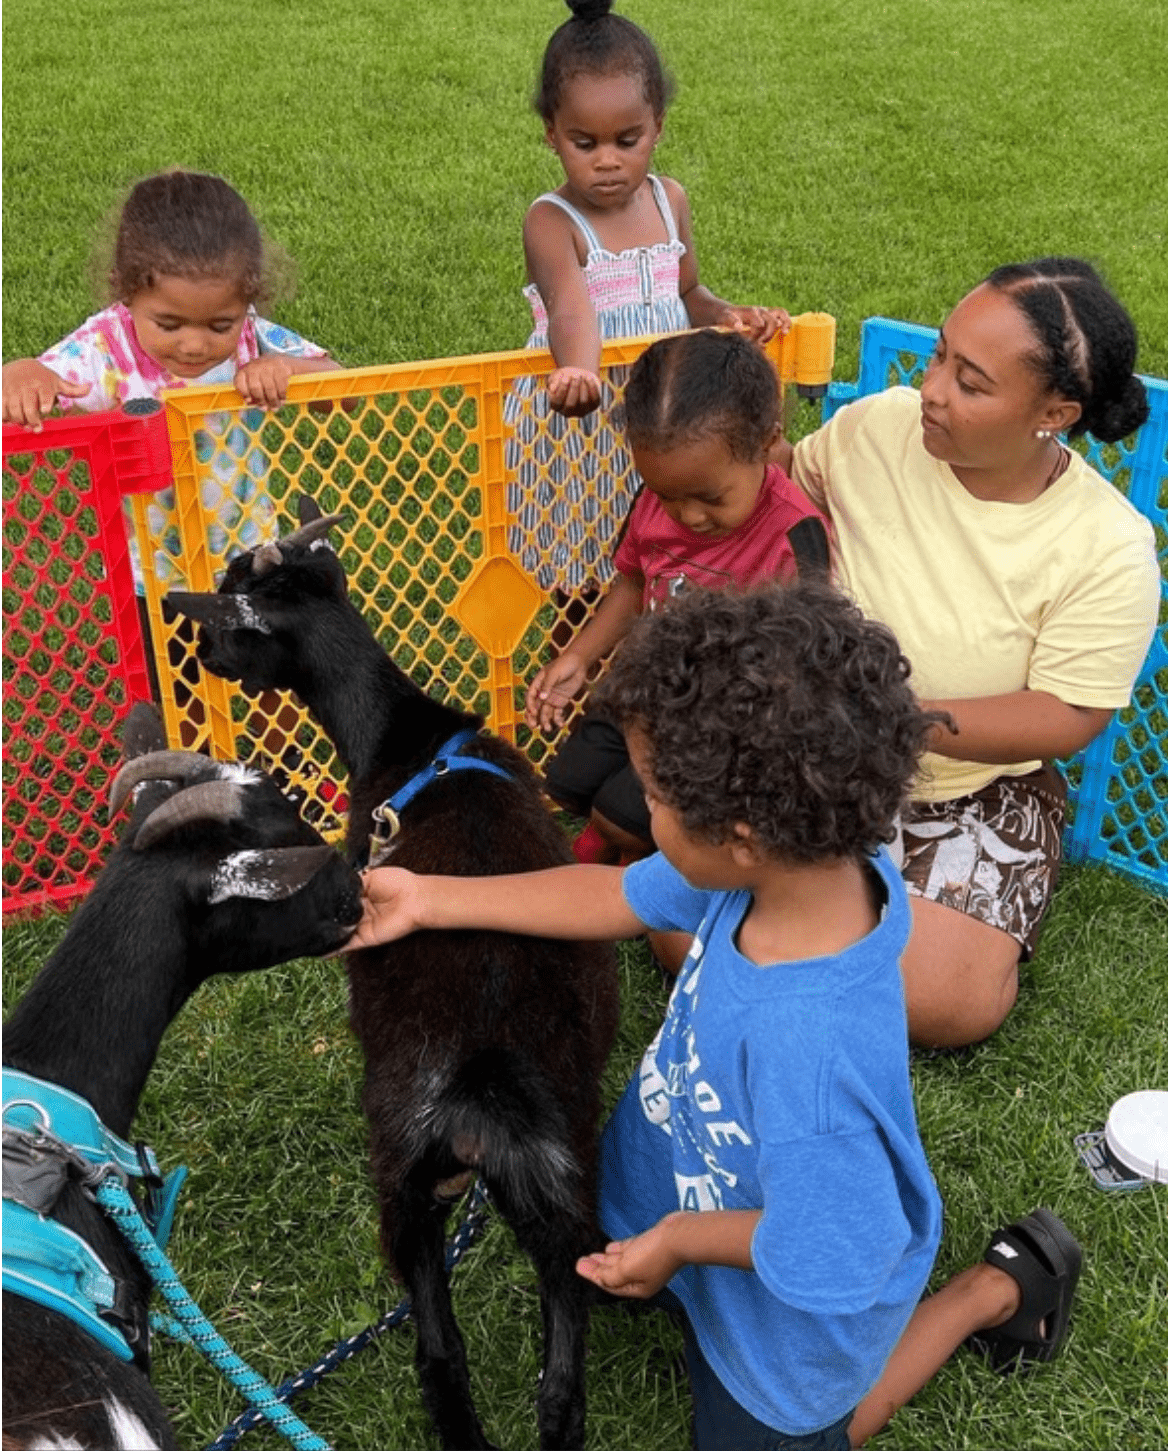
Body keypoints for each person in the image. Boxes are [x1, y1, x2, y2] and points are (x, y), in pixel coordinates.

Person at [347, 583, 1082, 1450]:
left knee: (797, 1436)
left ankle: (991, 1291)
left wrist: (680, 1240)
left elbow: (832, 1256)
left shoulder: (808, 1053)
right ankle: (686, 1274)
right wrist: (429, 897)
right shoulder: (796, 862)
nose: (638, 815)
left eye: (652, 795)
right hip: (684, 1189)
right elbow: (618, 895)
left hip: (788, 1328)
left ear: (736, 832)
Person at [778, 257, 1161, 1050]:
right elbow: (787, 494)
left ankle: (815, 919)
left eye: (972, 382)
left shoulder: (1108, 546)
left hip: (969, 787)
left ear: (1053, 413)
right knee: (675, 914)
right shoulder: (878, 426)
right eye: (938, 356)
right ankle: (825, 911)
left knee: (948, 1002)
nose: (933, 389)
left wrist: (895, 720)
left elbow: (1066, 713)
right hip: (812, 746)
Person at [506, 0, 790, 591]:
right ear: (552, 134)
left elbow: (687, 291)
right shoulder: (551, 220)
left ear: (657, 125)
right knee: (586, 576)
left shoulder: (670, 201)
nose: (608, 161)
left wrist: (728, 314)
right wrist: (580, 373)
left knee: (662, 555)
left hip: (666, 419)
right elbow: (570, 306)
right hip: (581, 425)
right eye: (585, 143)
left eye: (627, 140)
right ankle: (575, 676)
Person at [527, 328, 829, 870]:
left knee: (620, 814)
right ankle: (621, 840)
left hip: (725, 724)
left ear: (767, 445)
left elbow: (797, 668)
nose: (687, 516)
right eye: (667, 496)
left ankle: (634, 855)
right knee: (567, 782)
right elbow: (632, 582)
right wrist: (577, 656)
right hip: (649, 694)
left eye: (710, 498)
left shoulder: (793, 532)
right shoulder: (654, 500)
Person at [2, 168, 340, 591]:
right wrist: (19, 373)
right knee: (161, 659)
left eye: (219, 326)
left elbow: (339, 391)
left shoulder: (252, 336)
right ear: (125, 292)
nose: (194, 345)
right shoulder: (105, 346)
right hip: (149, 574)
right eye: (169, 324)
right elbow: (34, 385)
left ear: (247, 302)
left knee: (245, 657)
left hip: (250, 559)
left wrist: (287, 370)